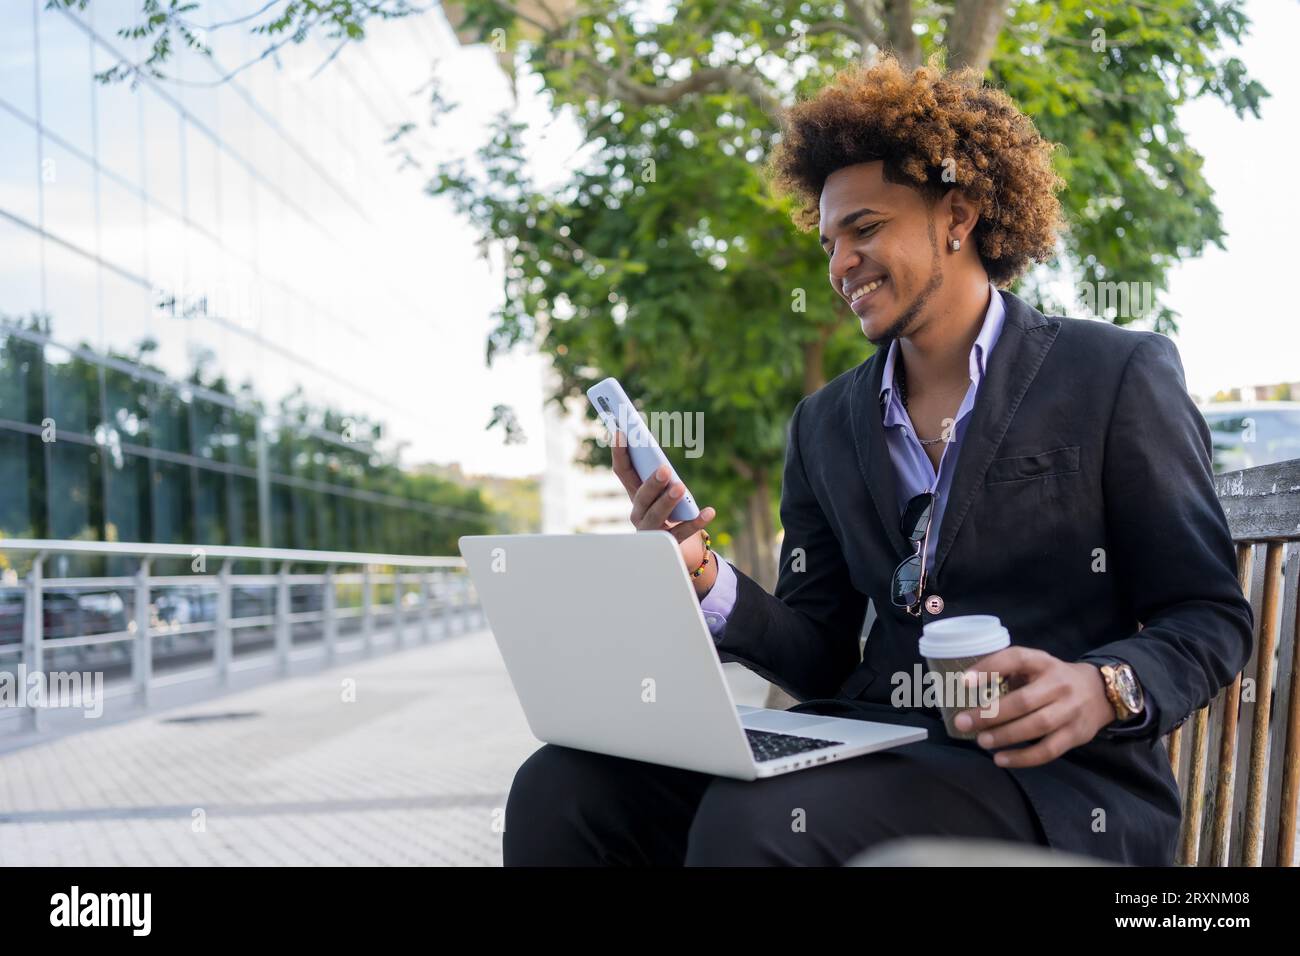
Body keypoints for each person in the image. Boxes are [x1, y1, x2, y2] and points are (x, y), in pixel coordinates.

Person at [503, 57, 1253, 866]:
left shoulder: (1112, 375)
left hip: (1054, 784)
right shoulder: (824, 424)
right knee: (564, 783)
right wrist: (706, 579)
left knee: (755, 823)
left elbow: (1208, 614)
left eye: (864, 229)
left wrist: (1104, 686)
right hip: (872, 748)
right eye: (830, 242)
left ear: (957, 215)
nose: (839, 265)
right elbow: (820, 652)